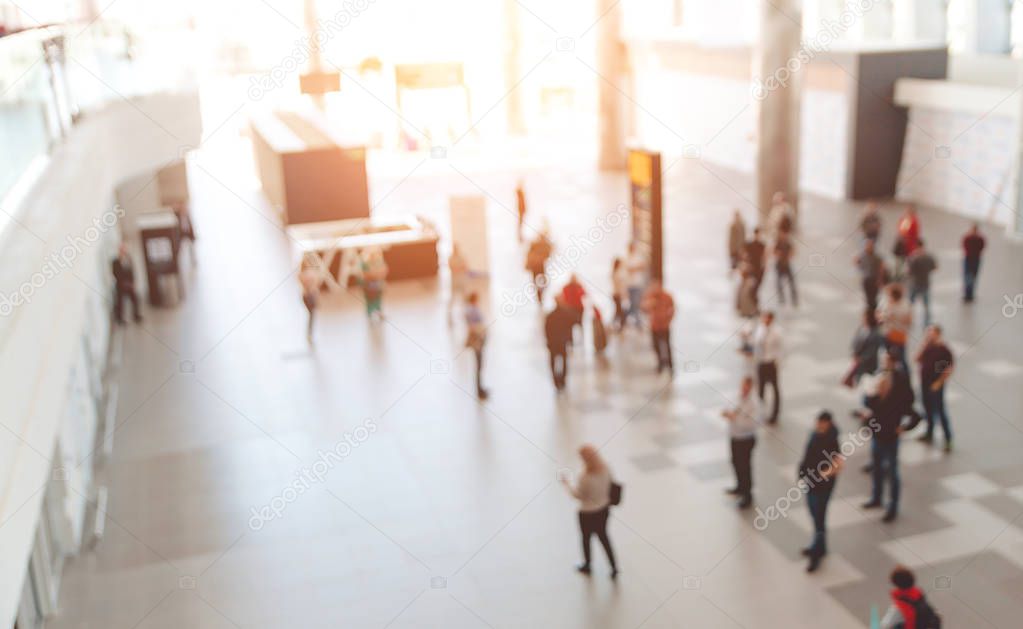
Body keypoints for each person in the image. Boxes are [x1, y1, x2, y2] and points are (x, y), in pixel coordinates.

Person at [857, 352, 917, 523]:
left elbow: (913, 410)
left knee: (892, 470)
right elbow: (870, 404)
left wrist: (904, 428)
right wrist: (871, 395)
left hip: (891, 434)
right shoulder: (879, 378)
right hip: (878, 433)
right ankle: (877, 497)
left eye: (886, 360)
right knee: (876, 466)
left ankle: (893, 506)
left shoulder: (901, 381)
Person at [560, 445, 618, 578]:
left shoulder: (585, 477)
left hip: (587, 513)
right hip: (604, 509)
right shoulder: (606, 468)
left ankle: (587, 564)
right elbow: (611, 485)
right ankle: (614, 567)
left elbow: (578, 496)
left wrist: (566, 483)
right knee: (604, 537)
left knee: (586, 539)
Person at [798, 411, 843, 572]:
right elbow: (807, 455)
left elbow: (838, 464)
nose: (818, 425)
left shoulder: (832, 440)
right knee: (814, 514)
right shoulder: (814, 435)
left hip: (822, 485)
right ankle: (820, 547)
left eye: (821, 423)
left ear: (828, 423)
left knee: (819, 518)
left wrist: (823, 474)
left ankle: (816, 554)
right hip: (810, 482)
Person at [915, 324, 954, 451]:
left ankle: (948, 439)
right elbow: (917, 359)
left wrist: (939, 382)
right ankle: (929, 432)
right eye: (927, 333)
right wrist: (923, 345)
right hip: (924, 383)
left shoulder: (943, 349)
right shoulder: (927, 347)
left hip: (936, 385)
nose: (929, 335)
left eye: (931, 333)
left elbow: (949, 368)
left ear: (938, 334)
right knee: (927, 408)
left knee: (940, 411)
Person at [721, 376, 758, 509]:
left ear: (750, 388)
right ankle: (739, 487)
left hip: (746, 439)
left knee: (745, 466)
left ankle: (747, 494)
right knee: (735, 462)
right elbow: (730, 407)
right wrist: (728, 413)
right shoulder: (737, 397)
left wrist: (734, 418)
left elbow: (751, 424)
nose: (743, 389)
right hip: (735, 437)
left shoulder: (753, 404)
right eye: (742, 386)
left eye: (746, 387)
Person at [753, 311, 782, 424]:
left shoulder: (777, 332)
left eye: (767, 319)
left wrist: (778, 361)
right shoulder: (760, 329)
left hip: (771, 363)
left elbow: (782, 348)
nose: (765, 321)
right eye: (764, 318)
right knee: (761, 388)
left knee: (775, 389)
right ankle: (761, 412)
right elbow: (757, 344)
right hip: (761, 363)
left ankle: (775, 414)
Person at [641, 279, 675, 374]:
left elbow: (672, 309)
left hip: (664, 326)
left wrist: (668, 320)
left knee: (667, 345)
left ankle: (670, 364)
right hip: (654, 326)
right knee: (655, 345)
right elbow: (643, 308)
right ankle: (660, 363)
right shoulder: (650, 296)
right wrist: (648, 305)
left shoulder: (667, 296)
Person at [877, 283, 912, 372]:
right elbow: (878, 315)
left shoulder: (904, 305)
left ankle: (904, 377)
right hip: (886, 333)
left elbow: (909, 320)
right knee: (886, 356)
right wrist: (884, 317)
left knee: (901, 359)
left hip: (898, 335)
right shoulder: (885, 301)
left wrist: (894, 318)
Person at [845, 309, 884, 387]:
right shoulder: (862, 328)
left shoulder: (876, 333)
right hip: (859, 363)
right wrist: (854, 353)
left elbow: (872, 350)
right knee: (857, 382)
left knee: (866, 384)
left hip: (868, 365)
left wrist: (861, 359)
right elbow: (855, 341)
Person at [545, 296, 576, 391]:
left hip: (553, 342)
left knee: (553, 362)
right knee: (563, 361)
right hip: (562, 342)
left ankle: (556, 380)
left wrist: (548, 341)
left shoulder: (550, 315)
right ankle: (562, 380)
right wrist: (570, 340)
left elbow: (546, 330)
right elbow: (572, 324)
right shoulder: (566, 313)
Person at [906, 239, 937, 326]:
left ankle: (914, 321)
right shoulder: (928, 256)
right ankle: (925, 323)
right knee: (924, 305)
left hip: (916, 284)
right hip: (923, 283)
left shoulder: (913, 257)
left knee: (912, 304)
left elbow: (909, 271)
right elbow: (935, 268)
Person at [464, 292, 488, 400]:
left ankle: (480, 389)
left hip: (477, 342)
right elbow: (476, 327)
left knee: (479, 366)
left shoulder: (469, 310)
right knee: (479, 366)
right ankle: (479, 390)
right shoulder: (474, 311)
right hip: (477, 342)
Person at [111, 243, 142, 324]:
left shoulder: (128, 259)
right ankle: (120, 319)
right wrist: (123, 282)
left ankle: (136, 315)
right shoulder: (115, 261)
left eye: (124, 250)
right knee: (120, 303)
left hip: (129, 284)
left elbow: (132, 272)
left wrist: (133, 282)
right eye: (122, 250)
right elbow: (115, 273)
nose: (123, 251)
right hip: (121, 285)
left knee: (135, 299)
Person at [854, 238, 885, 311]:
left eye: (870, 246)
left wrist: (880, 280)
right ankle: (870, 310)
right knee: (868, 297)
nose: (869, 247)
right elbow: (856, 262)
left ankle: (873, 310)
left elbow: (881, 269)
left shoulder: (877, 257)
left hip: (874, 279)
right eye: (867, 245)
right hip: (866, 279)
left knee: (874, 297)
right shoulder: (862, 255)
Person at [525, 232, 553, 305]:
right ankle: (539, 295)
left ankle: (540, 294)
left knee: (540, 281)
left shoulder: (540, 245)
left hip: (538, 266)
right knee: (538, 281)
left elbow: (548, 254)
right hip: (537, 266)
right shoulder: (537, 244)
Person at [625, 242, 649, 327]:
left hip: (637, 284)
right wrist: (635, 268)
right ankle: (634, 321)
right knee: (633, 304)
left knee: (636, 303)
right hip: (631, 285)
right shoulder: (627, 258)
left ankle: (636, 321)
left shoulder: (637, 257)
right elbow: (628, 270)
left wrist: (634, 269)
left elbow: (643, 266)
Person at [962, 222, 985, 303]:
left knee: (969, 276)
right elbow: (982, 246)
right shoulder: (978, 238)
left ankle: (969, 294)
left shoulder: (969, 237)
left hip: (971, 258)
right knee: (971, 277)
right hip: (974, 258)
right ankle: (969, 294)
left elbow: (964, 245)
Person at [773, 230, 798, 306]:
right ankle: (781, 299)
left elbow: (793, 252)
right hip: (779, 265)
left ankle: (794, 299)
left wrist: (790, 254)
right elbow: (774, 252)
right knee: (778, 283)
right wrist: (778, 254)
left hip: (786, 265)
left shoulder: (788, 244)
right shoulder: (778, 243)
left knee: (792, 283)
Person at [448, 244, 470, 323]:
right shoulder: (451, 258)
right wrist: (459, 269)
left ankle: (467, 312)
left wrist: (459, 269)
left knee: (464, 296)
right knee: (453, 297)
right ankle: (449, 313)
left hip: (461, 279)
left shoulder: (461, 257)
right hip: (455, 280)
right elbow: (451, 268)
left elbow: (465, 267)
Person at [561, 274, 586, 342]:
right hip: (573, 308)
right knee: (574, 324)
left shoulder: (568, 287)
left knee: (572, 324)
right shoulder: (577, 286)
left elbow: (563, 298)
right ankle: (573, 338)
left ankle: (573, 339)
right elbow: (584, 294)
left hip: (574, 308)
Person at [299, 266, 319, 341]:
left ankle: (309, 333)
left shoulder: (302, 275)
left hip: (307, 296)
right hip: (309, 296)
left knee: (311, 315)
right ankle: (309, 333)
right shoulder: (309, 274)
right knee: (311, 315)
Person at [611, 257, 628, 331]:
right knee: (619, 311)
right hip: (617, 294)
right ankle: (619, 326)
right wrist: (623, 294)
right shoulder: (618, 273)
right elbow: (620, 285)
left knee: (618, 311)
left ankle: (616, 325)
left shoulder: (615, 272)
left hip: (616, 294)